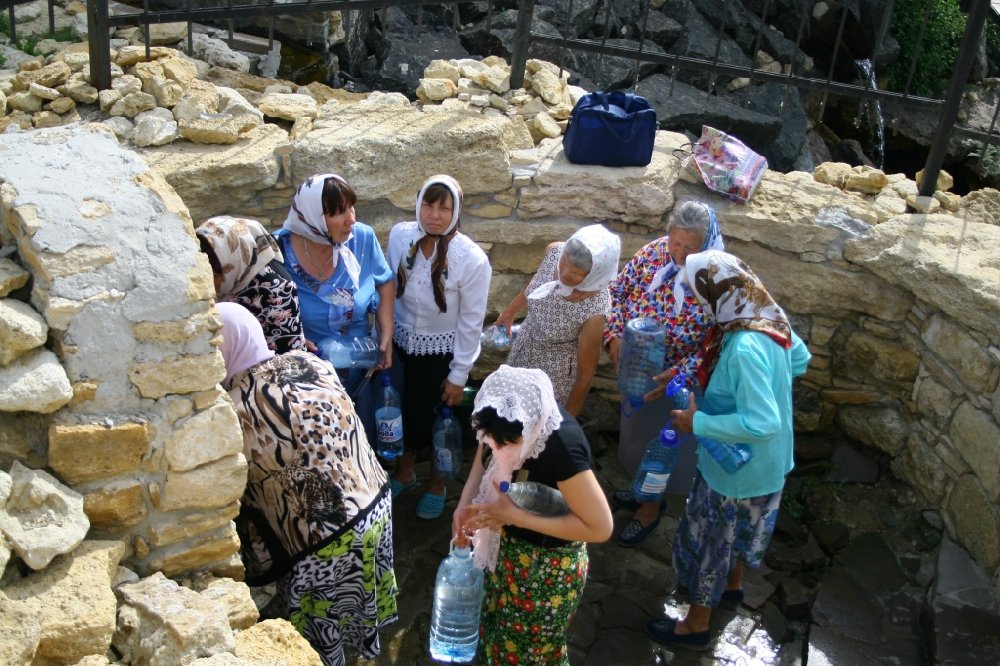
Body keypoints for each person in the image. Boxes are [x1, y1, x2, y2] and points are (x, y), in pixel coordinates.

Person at [643, 250, 810, 650]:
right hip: (768, 467)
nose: (697, 303)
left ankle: (695, 626)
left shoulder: (743, 347)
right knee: (736, 536)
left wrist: (698, 422)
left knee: (712, 543)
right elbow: (800, 360)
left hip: (736, 470)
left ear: (718, 294)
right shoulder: (767, 318)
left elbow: (762, 423)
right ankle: (733, 588)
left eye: (698, 294)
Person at [216, 302, 398, 666]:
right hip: (375, 502)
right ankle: (364, 647)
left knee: (319, 635)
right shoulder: (309, 361)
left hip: (321, 540)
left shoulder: (235, 408)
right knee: (359, 590)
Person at [452, 365, 613, 666]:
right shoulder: (498, 412)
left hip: (545, 569)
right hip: (505, 553)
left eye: (507, 444)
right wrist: (464, 505)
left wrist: (513, 516)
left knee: (527, 656)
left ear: (531, 426)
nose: (497, 448)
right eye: (491, 439)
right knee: (494, 642)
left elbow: (599, 527)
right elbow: (481, 459)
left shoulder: (562, 447)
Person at [602, 201, 725, 547]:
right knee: (639, 440)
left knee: (665, 448)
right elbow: (617, 292)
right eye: (675, 242)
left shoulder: (716, 279)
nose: (679, 253)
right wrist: (614, 336)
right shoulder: (654, 253)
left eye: (690, 247)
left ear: (706, 244)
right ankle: (639, 491)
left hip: (681, 384)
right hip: (639, 371)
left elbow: (718, 344)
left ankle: (650, 509)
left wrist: (677, 374)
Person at [387, 174, 491, 519]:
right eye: (428, 205)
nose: (434, 215)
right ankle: (404, 472)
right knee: (402, 412)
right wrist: (382, 339)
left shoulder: (471, 259)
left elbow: (471, 321)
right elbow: (389, 289)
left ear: (456, 211)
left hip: (442, 355)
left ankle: (436, 483)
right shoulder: (400, 237)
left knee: (439, 422)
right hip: (401, 346)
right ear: (418, 204)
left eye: (444, 208)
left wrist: (459, 374)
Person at [274, 173, 395, 439]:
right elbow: (259, 309)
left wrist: (386, 332)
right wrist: (290, 339)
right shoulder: (277, 252)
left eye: (351, 207)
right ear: (311, 216)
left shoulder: (362, 239)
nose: (351, 219)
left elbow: (385, 282)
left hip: (359, 370)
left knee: (360, 443)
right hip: (308, 383)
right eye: (338, 212)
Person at [495, 224, 621, 416]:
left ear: (595, 275)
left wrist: (565, 423)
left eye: (576, 273)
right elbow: (538, 281)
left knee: (533, 424)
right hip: (523, 349)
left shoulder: (595, 309)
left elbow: (585, 376)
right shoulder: (555, 252)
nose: (565, 273)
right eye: (564, 262)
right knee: (505, 415)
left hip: (552, 374)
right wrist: (511, 311)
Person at [196, 215, 307, 354]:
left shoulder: (275, 290)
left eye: (213, 273)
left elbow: (290, 353)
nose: (205, 279)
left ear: (233, 260)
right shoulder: (199, 284)